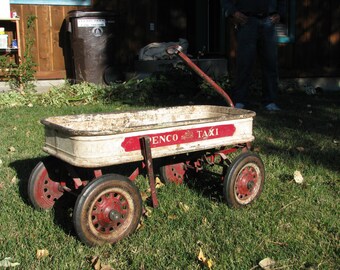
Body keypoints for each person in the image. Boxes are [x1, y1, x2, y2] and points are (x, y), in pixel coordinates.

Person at [221, 0, 286, 111]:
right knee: (244, 63)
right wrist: (233, 12)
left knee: (270, 63)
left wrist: (280, 13)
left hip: (269, 21)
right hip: (247, 21)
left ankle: (270, 101)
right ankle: (240, 100)